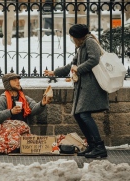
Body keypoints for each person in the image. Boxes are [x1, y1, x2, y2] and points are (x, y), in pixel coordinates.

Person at [44, 24, 109, 158]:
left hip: (91, 86)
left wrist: (78, 69)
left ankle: (99, 146)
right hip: (83, 86)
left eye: (72, 37)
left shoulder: (90, 42)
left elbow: (94, 60)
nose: (71, 39)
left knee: (83, 114)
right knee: (78, 114)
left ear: (78, 37)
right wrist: (54, 72)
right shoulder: (81, 46)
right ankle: (92, 145)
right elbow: (71, 65)